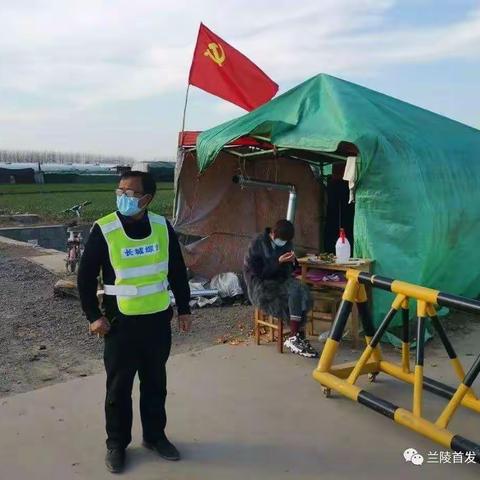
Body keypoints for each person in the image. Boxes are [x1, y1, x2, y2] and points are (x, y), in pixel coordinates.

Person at [77, 171, 192, 474]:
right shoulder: (105, 229)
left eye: (130, 193)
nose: (123, 197)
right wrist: (94, 315)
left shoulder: (161, 226)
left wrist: (184, 308)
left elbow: (177, 269)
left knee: (155, 383)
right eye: (120, 191)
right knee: (118, 388)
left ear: (147, 198)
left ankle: (155, 436)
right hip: (119, 323)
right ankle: (116, 443)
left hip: (156, 321)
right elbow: (85, 276)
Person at [243, 219, 318, 358]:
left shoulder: (287, 244)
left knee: (300, 290)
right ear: (273, 233)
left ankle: (295, 336)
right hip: (260, 283)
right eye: (281, 240)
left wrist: (291, 262)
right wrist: (277, 262)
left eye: (286, 241)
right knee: (284, 298)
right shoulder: (257, 244)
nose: (283, 243)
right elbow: (258, 272)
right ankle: (296, 336)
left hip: (280, 279)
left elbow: (288, 271)